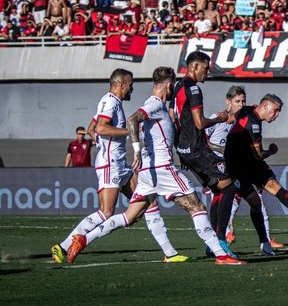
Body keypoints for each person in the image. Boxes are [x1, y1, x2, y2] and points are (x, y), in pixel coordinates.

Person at [66, 67, 244, 265]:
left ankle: (84, 239)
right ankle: (221, 254)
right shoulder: (155, 105)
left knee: (129, 217)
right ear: (168, 85)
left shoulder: (157, 107)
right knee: (197, 206)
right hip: (162, 169)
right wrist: (135, 149)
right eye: (172, 87)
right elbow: (134, 119)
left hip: (147, 174)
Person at [51, 68, 187, 264]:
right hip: (110, 164)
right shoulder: (110, 102)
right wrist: (129, 133)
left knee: (149, 203)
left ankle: (170, 252)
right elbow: (100, 128)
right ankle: (63, 246)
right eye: (130, 85)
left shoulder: (112, 102)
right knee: (106, 212)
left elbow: (92, 129)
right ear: (121, 85)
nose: (132, 89)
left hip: (119, 164)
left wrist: (102, 143)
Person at [225, 93, 288, 255]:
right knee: (250, 202)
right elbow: (259, 154)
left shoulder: (248, 111)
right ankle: (222, 239)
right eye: (275, 110)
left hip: (250, 162)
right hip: (237, 166)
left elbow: (231, 118)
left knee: (275, 188)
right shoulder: (253, 123)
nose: (277, 115)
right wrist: (272, 151)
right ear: (265, 106)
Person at [169, 51, 238, 258]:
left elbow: (174, 120)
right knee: (229, 187)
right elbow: (200, 123)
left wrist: (179, 150)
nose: (208, 72)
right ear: (195, 67)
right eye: (206, 68)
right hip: (198, 149)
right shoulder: (193, 89)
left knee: (219, 190)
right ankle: (220, 241)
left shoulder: (177, 87)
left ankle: (213, 244)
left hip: (185, 149)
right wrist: (220, 118)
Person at [204, 85, 284, 253]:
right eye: (237, 101)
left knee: (253, 201)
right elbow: (202, 137)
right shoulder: (218, 118)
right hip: (218, 167)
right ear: (228, 101)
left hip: (235, 167)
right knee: (220, 201)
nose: (241, 104)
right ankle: (216, 241)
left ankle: (264, 239)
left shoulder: (245, 118)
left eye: (243, 101)